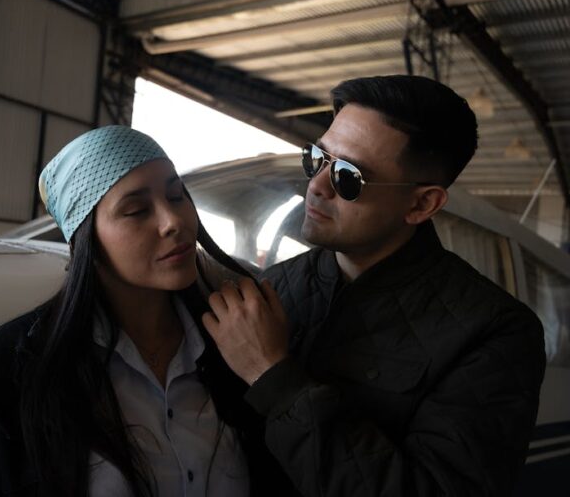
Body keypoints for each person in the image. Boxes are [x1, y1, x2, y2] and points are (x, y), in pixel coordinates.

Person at [0, 126, 283, 496]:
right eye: (136, 210)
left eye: (177, 195)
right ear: (86, 239)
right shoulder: (11, 371)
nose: (173, 220)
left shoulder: (240, 345)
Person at [202, 75, 547, 496]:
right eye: (317, 158)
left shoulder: (494, 334)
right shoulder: (274, 287)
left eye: (349, 177)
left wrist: (273, 376)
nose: (316, 185)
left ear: (422, 204)